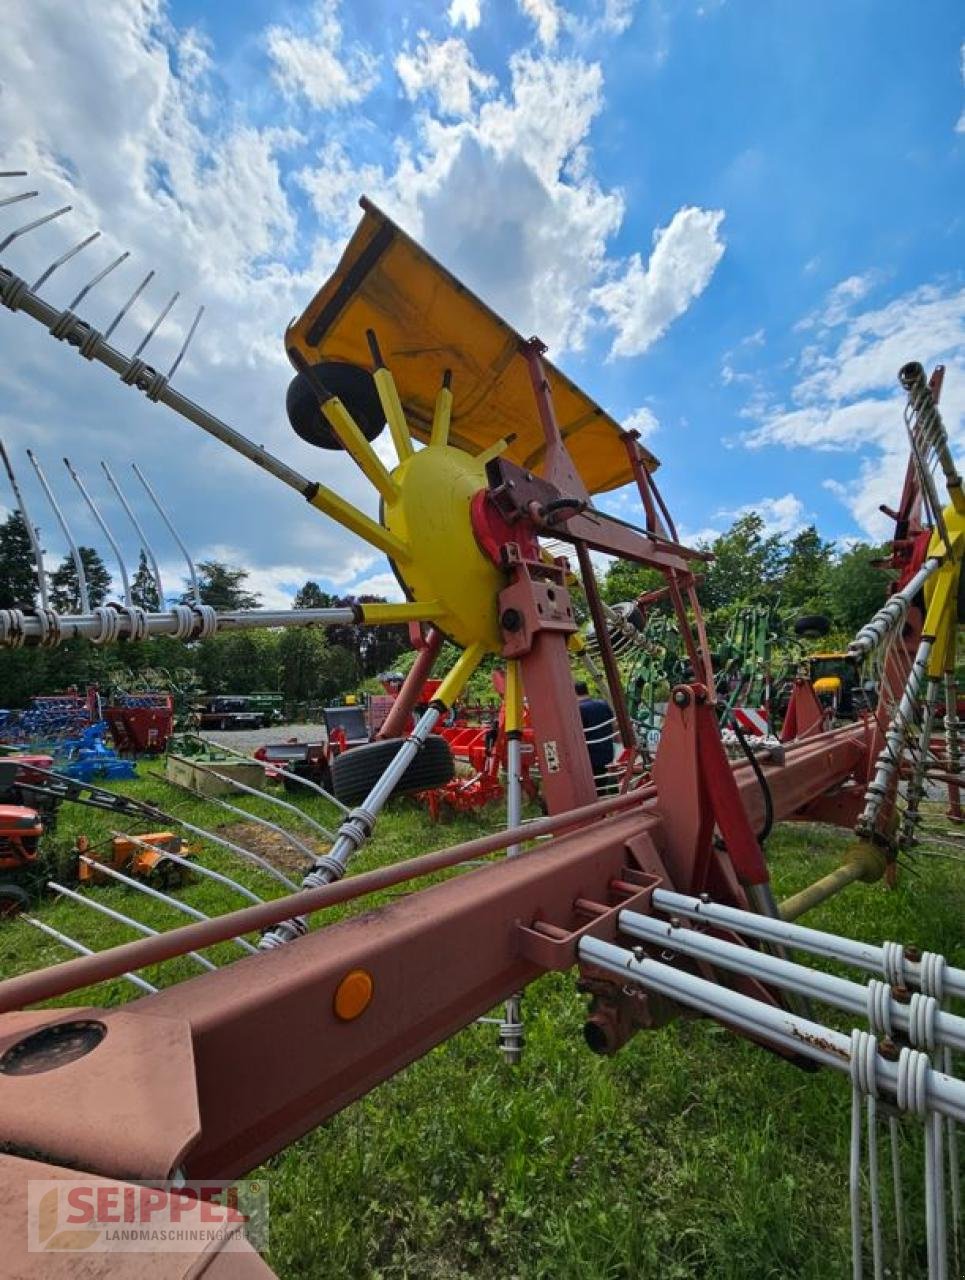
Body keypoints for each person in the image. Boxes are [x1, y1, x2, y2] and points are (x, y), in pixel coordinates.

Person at [574, 681, 615, 791]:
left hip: (589, 755)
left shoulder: (578, 710)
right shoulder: (603, 704)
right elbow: (613, 724)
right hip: (607, 750)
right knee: (600, 780)